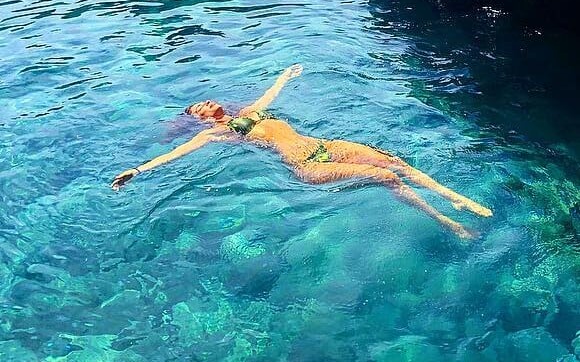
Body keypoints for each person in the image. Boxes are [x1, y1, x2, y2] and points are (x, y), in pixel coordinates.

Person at [112, 65, 492, 238]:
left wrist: (283, 78)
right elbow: (175, 155)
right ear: (200, 119)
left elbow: (268, 96)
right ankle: (449, 223)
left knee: (393, 161)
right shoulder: (216, 136)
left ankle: (453, 197)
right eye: (198, 107)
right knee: (386, 177)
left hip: (323, 146)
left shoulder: (247, 112)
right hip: (303, 165)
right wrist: (139, 170)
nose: (206, 102)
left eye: (205, 99)